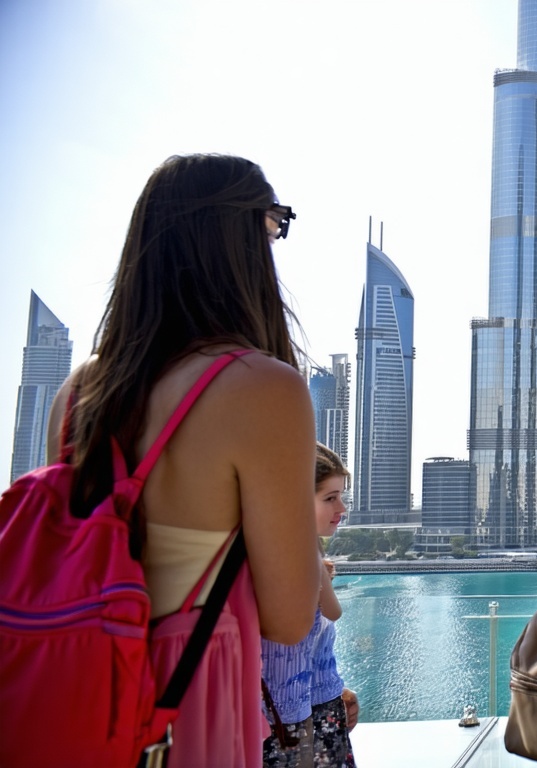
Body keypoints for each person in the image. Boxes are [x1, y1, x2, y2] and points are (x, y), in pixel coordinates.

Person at [46, 154, 321, 767]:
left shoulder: (77, 394)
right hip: (184, 713)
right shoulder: (261, 389)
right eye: (273, 224)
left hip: (71, 704)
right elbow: (289, 617)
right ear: (237, 238)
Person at [262, 443, 360, 767]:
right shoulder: (299, 559)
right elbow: (334, 611)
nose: (341, 508)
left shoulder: (293, 554)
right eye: (330, 498)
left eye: (341, 497)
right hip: (284, 722)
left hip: (311, 707)